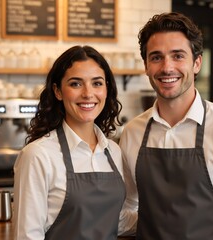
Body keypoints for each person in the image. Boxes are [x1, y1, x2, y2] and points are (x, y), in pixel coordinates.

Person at [119, 12, 213, 239]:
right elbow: (127, 206)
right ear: (147, 66)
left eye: (178, 56)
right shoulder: (132, 132)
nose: (167, 67)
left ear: (197, 63)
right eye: (156, 57)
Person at [13, 45, 135, 240]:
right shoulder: (38, 155)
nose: (88, 93)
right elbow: (27, 235)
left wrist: (161, 217)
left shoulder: (113, 151)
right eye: (76, 84)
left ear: (106, 90)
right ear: (58, 91)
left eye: (97, 83)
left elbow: (114, 219)